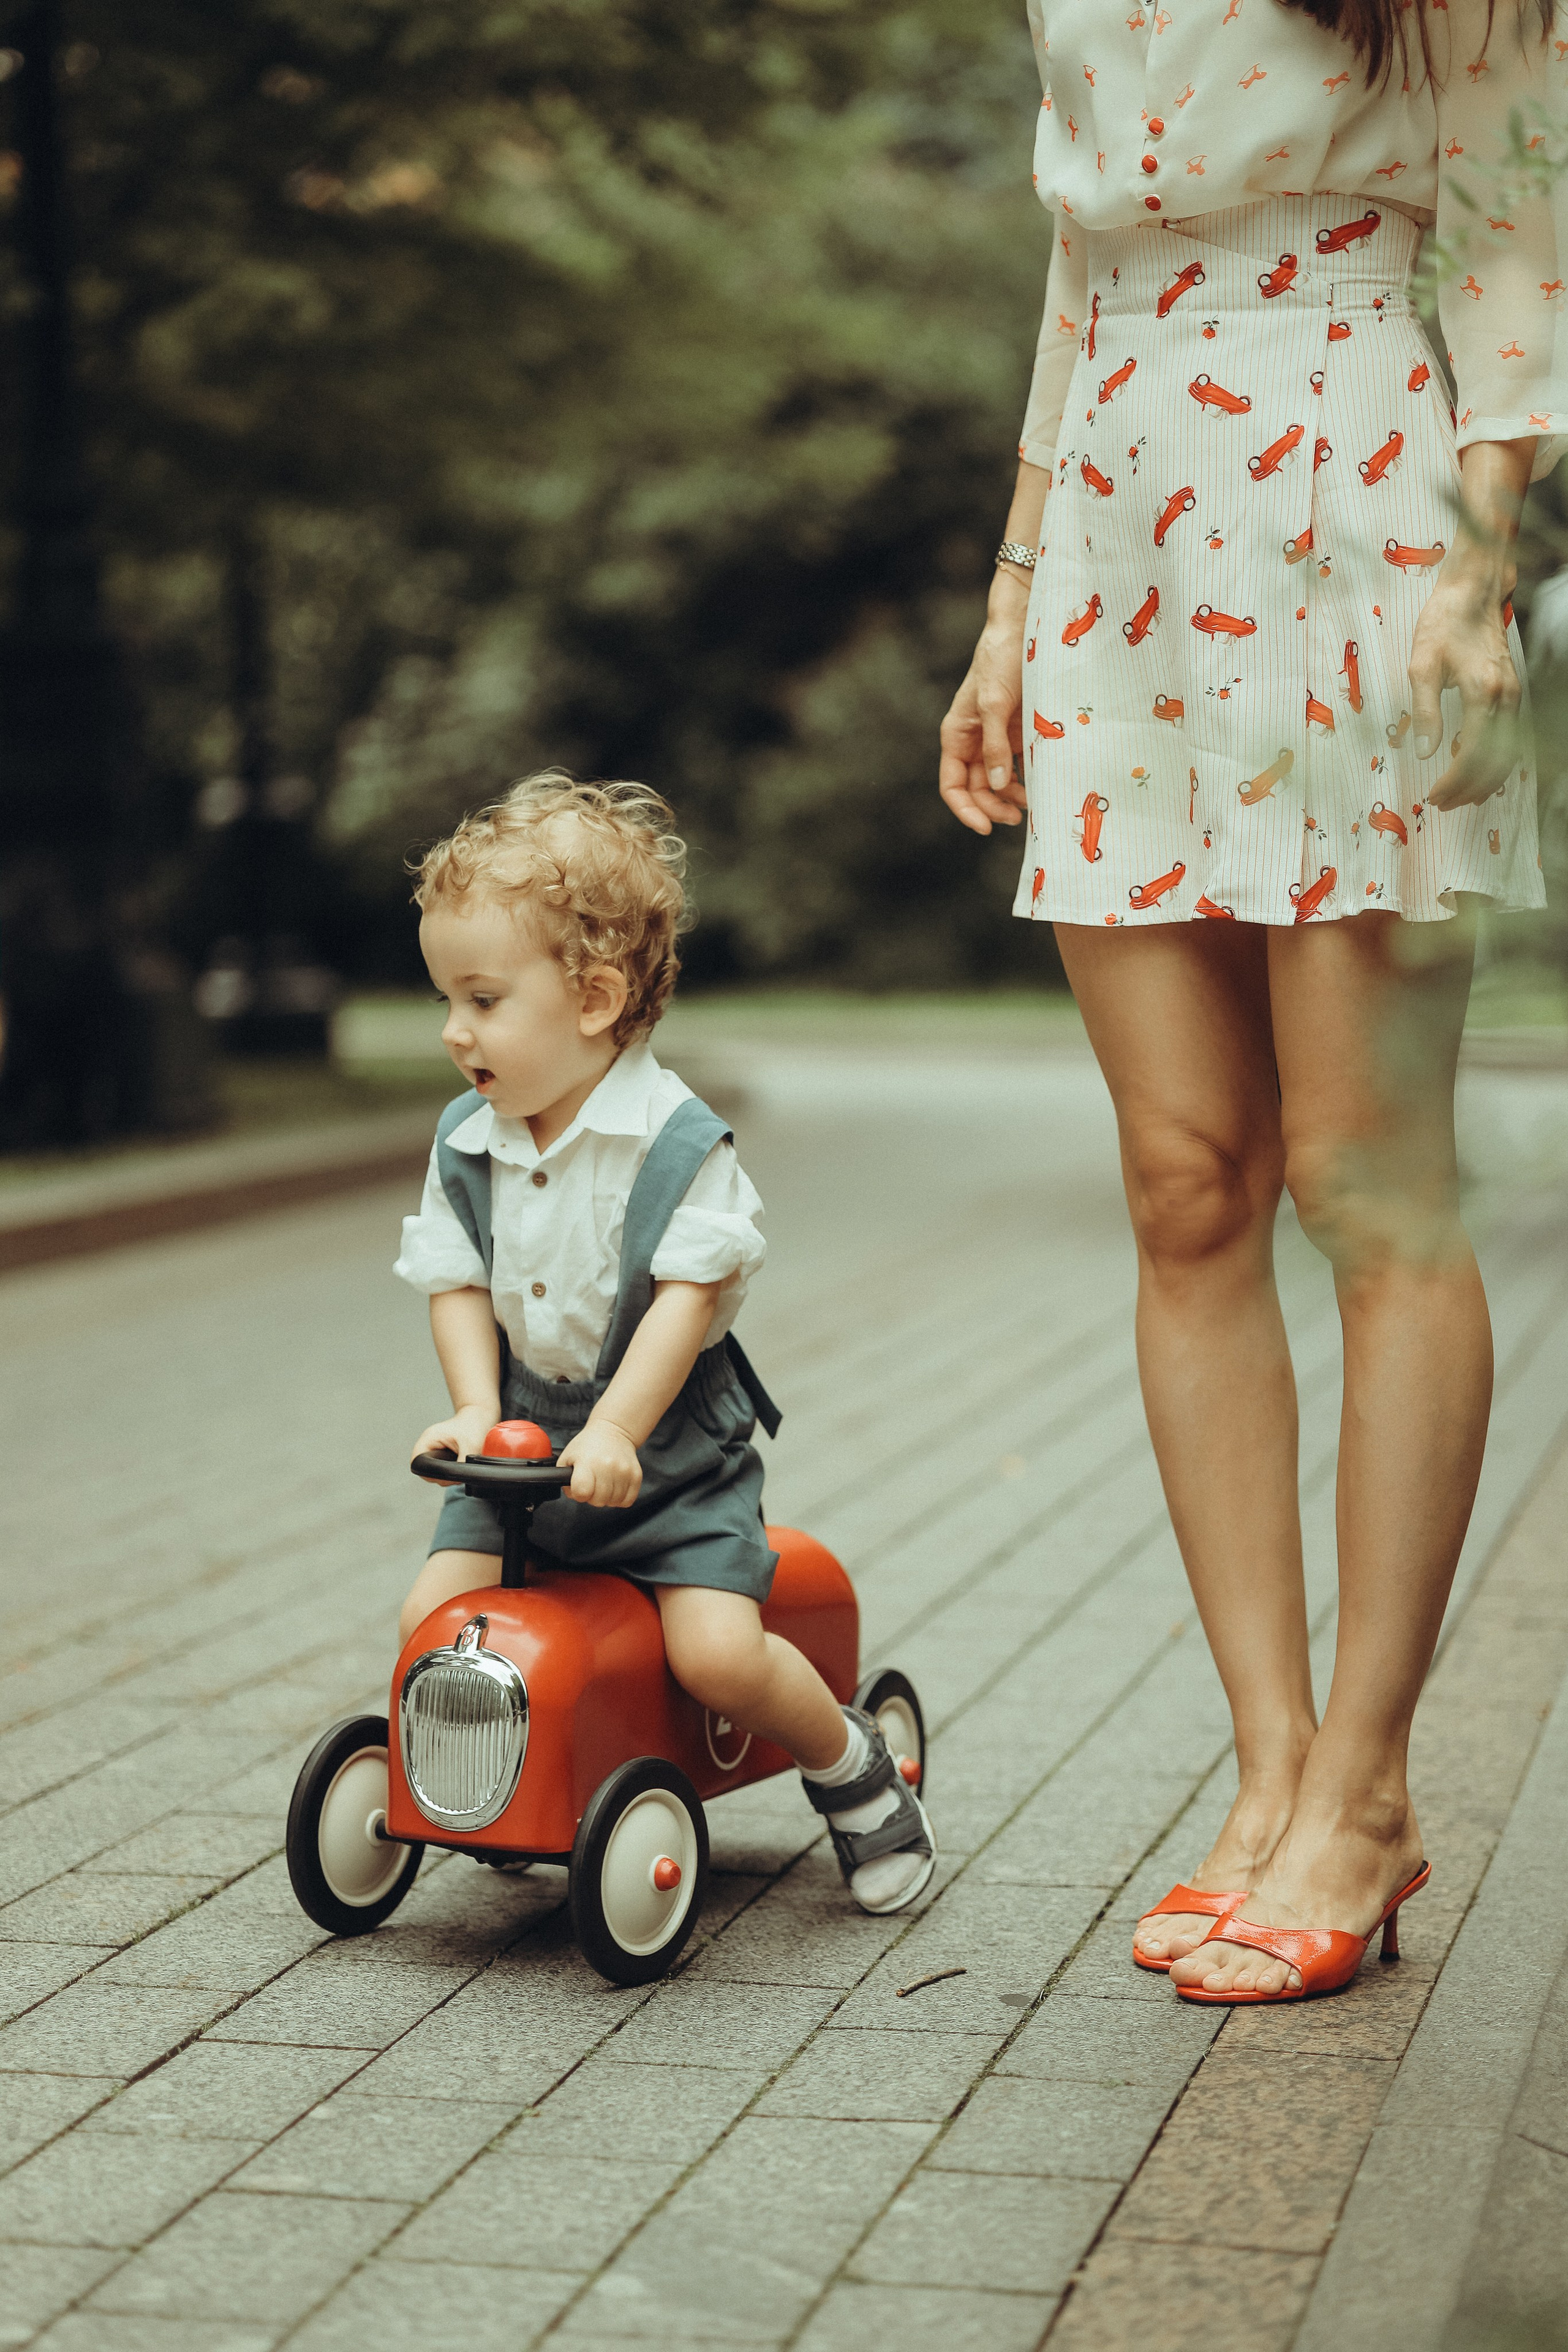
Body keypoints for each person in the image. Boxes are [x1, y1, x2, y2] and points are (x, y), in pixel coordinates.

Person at [939, 0, 1564, 2001]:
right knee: (1187, 1181)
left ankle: (1369, 1794)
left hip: (1358, 506)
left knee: (1367, 1188)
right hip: (1120, 520)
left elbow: (1519, 220)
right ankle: (1272, 1765)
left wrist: (1483, 563)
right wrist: (1011, 599)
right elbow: (1079, 261)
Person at [393, 772, 935, 1915]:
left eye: (483, 1000)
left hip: (669, 1459)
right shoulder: (467, 1141)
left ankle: (852, 1767)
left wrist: (619, 1431)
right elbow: (455, 1277)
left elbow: (686, 1308)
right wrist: (466, 1405)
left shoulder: (678, 1146)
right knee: (431, 1622)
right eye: (447, 997)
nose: (454, 1031)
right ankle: (499, 1782)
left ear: (592, 998)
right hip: (519, 1451)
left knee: (717, 1658)